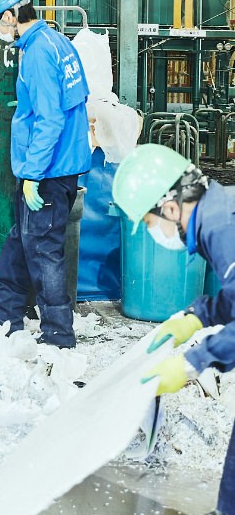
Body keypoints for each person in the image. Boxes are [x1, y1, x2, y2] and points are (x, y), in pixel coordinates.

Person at [113, 144, 235, 515]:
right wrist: (198, 316)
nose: (154, 233)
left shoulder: (221, 228)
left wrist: (192, 363)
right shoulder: (218, 213)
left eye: (149, 224)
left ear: (169, 206)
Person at [0, 0, 91, 348]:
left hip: (48, 170)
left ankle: (58, 335)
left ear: (11, 14)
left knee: (44, 253)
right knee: (20, 245)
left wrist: (32, 175)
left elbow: (51, 119)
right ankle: (5, 320)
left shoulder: (40, 53)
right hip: (59, 166)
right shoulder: (54, 40)